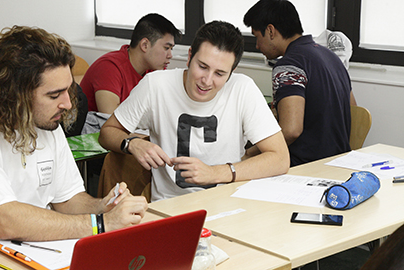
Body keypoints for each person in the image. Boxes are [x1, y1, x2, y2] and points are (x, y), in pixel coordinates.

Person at [0, 26, 148, 260]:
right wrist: (100, 224)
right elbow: (6, 222)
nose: (66, 103)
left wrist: (103, 206)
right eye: (54, 95)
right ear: (14, 95)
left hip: (37, 255)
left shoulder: (46, 123)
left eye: (68, 91)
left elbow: (68, 200)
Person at [99, 21, 290, 202]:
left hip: (228, 205)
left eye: (219, 73)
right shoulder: (155, 85)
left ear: (231, 72)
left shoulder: (243, 88)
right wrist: (131, 143)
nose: (207, 80)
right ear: (190, 56)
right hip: (171, 206)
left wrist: (216, 173)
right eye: (202, 67)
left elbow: (280, 158)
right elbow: (107, 132)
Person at [243, 0, 357, 167]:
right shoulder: (331, 57)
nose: (257, 45)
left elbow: (291, 131)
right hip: (340, 161)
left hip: (305, 166)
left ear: (270, 31)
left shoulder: (288, 65)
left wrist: (248, 154)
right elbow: (353, 109)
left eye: (257, 37)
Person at [79, 13, 181, 134]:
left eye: (171, 49)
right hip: (93, 142)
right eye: (166, 48)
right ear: (145, 45)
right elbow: (111, 122)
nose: (170, 55)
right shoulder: (109, 67)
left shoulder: (154, 70)